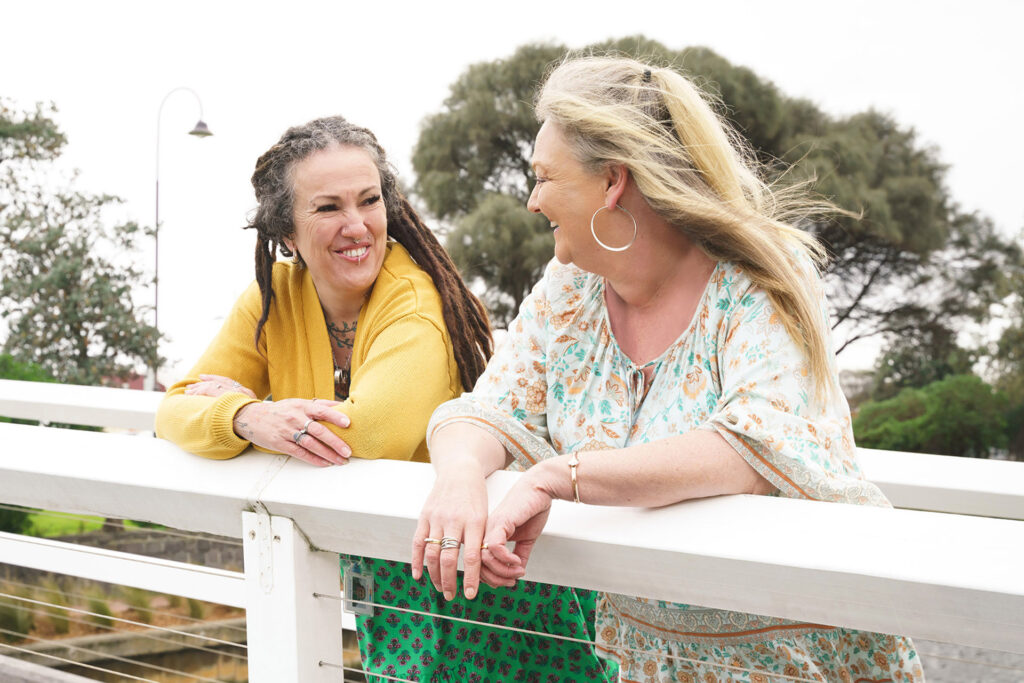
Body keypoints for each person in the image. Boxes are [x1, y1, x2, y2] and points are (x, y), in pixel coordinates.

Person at [415, 57, 926, 683]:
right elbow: (485, 411)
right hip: (648, 663)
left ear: (612, 182)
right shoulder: (567, 292)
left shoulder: (760, 278)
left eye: (546, 177)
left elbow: (751, 449)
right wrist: (460, 477)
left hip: (796, 656)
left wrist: (561, 475)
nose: (532, 199)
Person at [155, 116, 613, 682]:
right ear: (287, 232)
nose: (357, 226)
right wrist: (248, 414)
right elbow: (172, 410)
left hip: (485, 562)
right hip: (386, 560)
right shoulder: (272, 298)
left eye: (369, 201)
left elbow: (363, 436)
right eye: (328, 208)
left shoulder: (415, 300)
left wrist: (266, 417)